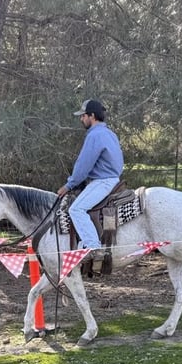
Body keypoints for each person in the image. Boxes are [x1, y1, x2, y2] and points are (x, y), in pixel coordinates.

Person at [57, 99, 124, 259]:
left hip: (102, 181)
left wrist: (69, 185)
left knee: (76, 209)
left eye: (83, 116)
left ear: (92, 116)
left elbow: (83, 165)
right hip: (114, 179)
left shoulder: (94, 135)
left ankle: (93, 246)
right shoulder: (110, 134)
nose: (81, 119)